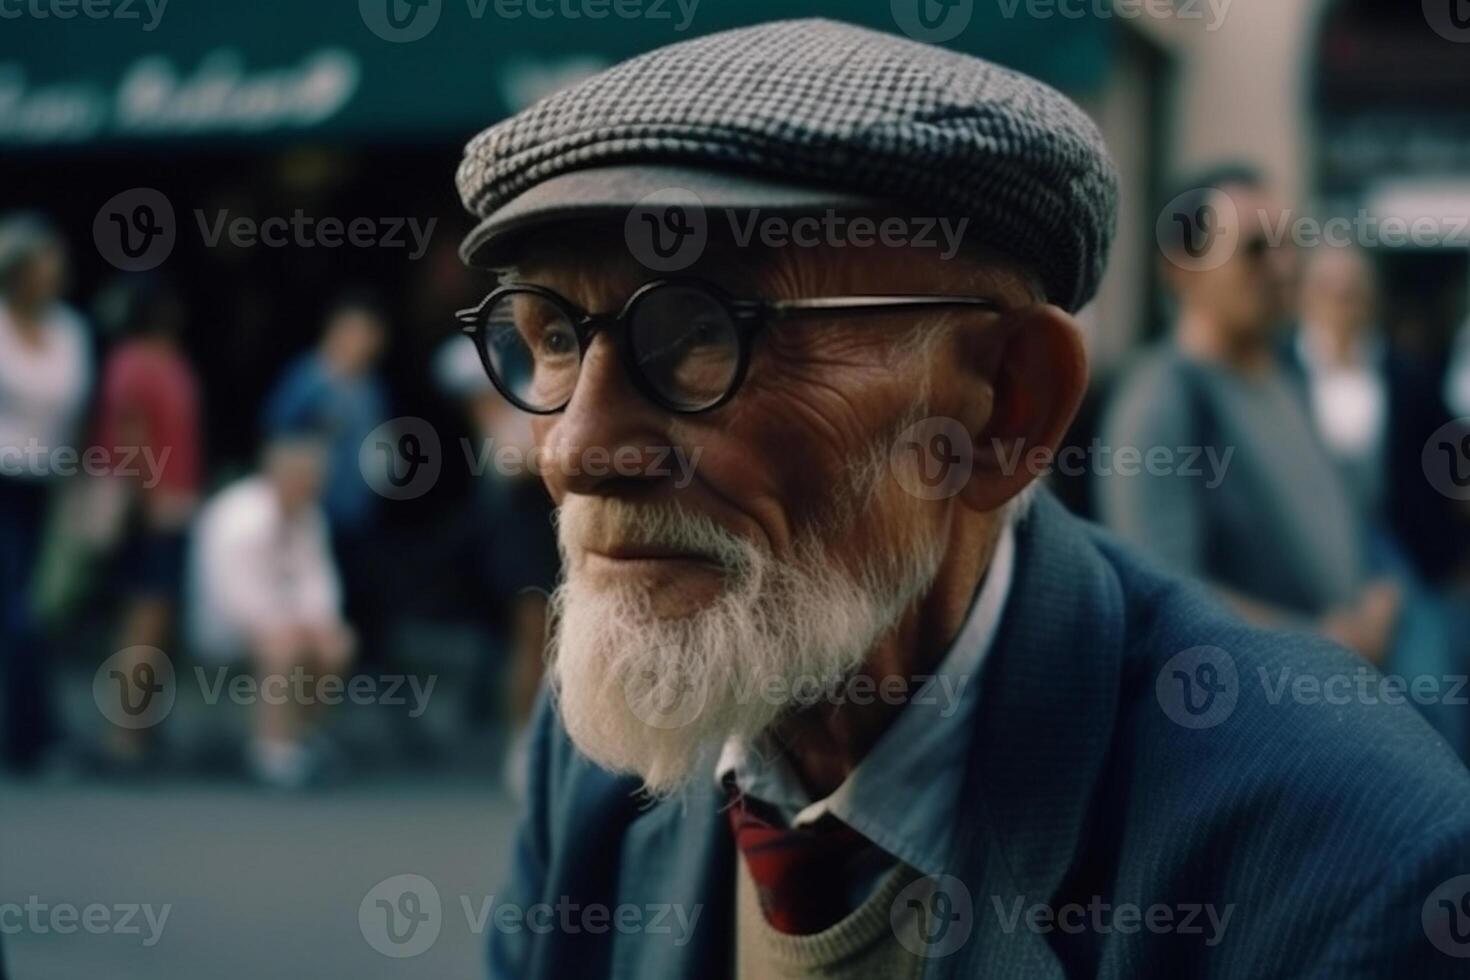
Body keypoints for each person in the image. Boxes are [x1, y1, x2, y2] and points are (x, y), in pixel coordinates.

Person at [448, 21, 1470, 979]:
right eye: (548, 337)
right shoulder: (602, 741)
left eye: (698, 331)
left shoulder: (1345, 859)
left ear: (1003, 408)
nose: (575, 446)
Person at [1099, 168, 1402, 664]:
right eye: (1256, 250)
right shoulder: (1162, 400)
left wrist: (1380, 595)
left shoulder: (1289, 375)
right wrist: (1320, 639)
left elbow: (1351, 513)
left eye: (1290, 245)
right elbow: (1159, 591)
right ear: (1181, 268)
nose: (1284, 268)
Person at [186, 437, 354, 788]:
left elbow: (318, 581)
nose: (313, 488)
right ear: (278, 476)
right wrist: (283, 623)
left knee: (337, 644)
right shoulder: (235, 517)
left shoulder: (310, 514)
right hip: (227, 627)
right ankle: (272, 751)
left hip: (286, 621)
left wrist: (316, 622)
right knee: (281, 648)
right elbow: (229, 595)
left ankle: (302, 734)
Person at [90, 275, 203, 768]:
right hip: (151, 509)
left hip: (174, 506)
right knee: (143, 623)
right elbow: (130, 439)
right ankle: (123, 732)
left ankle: (145, 726)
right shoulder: (135, 362)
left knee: (160, 624)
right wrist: (148, 497)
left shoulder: (167, 359)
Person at [0, 213, 91, 774]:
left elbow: (77, 413)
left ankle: (31, 732)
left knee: (39, 610)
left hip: (48, 486)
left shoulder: (70, 330)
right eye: (43, 266)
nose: (53, 276)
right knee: (20, 613)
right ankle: (34, 736)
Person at [263, 293, 390, 664]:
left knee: (354, 593)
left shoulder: (369, 387)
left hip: (359, 511)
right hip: (315, 511)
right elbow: (278, 438)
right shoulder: (308, 379)